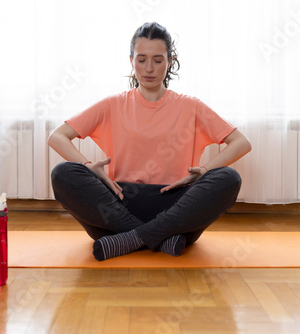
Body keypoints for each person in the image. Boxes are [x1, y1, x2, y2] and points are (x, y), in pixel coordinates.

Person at [49, 22, 251, 261]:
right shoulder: (113, 104)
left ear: (170, 60)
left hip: (176, 205)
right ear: (131, 60)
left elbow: (241, 142)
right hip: (121, 204)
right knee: (63, 173)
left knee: (229, 178)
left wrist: (204, 171)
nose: (149, 68)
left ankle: (131, 239)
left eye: (157, 60)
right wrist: (88, 166)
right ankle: (161, 238)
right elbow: (57, 136)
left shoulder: (191, 105)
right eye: (141, 59)